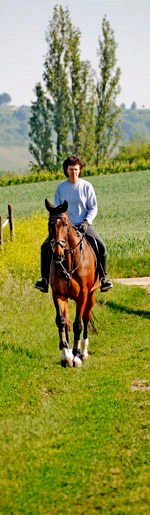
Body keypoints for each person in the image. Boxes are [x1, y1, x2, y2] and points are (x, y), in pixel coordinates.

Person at [35, 155, 113, 293]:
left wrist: (86, 222)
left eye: (76, 169)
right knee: (45, 247)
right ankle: (44, 280)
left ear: (80, 170)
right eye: (71, 169)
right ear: (66, 170)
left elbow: (93, 207)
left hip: (84, 225)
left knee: (101, 246)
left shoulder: (87, 186)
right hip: (64, 228)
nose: (74, 172)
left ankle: (103, 278)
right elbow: (58, 209)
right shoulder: (61, 188)